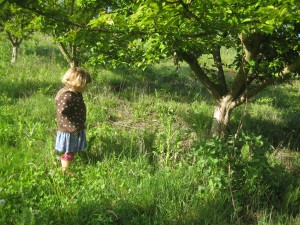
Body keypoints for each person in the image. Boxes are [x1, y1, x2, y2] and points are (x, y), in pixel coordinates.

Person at [54, 67, 92, 175]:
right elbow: (62, 114)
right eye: (85, 84)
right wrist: (72, 127)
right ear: (77, 83)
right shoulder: (67, 96)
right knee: (69, 151)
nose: (86, 87)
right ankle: (65, 171)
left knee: (72, 150)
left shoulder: (75, 93)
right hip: (69, 130)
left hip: (75, 127)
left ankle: (66, 165)